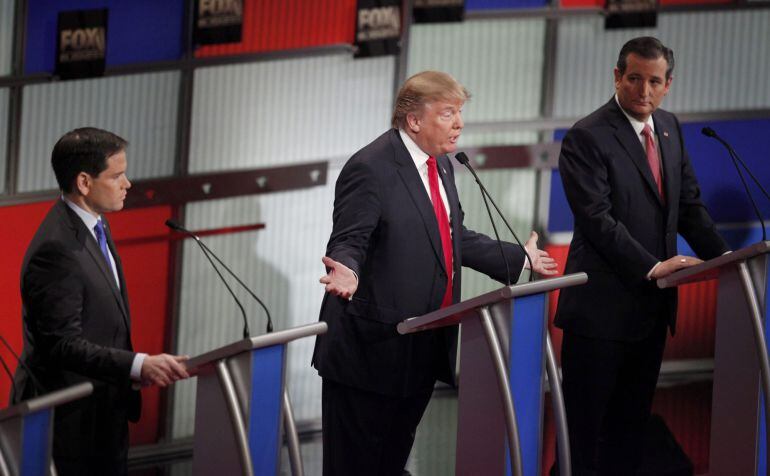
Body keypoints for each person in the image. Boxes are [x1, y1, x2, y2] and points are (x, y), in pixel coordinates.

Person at [311, 70, 558, 475]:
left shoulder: (440, 165)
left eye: (460, 112)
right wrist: (348, 272)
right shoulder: (370, 167)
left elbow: (452, 235)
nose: (459, 123)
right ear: (413, 120)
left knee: (390, 463)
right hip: (370, 352)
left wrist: (519, 258)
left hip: (420, 347)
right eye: (447, 113)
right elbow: (349, 239)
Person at [554, 37, 730, 475]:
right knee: (584, 437)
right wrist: (651, 267)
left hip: (650, 312)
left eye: (654, 81)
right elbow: (597, 219)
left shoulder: (669, 128)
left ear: (668, 84)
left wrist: (729, 260)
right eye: (635, 79)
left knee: (630, 432)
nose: (644, 91)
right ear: (618, 77)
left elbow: (688, 206)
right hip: (600, 314)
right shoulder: (587, 135)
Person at [12, 127, 190, 476]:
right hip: (69, 427)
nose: (128, 184)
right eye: (117, 175)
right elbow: (61, 344)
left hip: (104, 412)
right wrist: (136, 365)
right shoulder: (57, 248)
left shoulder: (95, 226)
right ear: (83, 182)